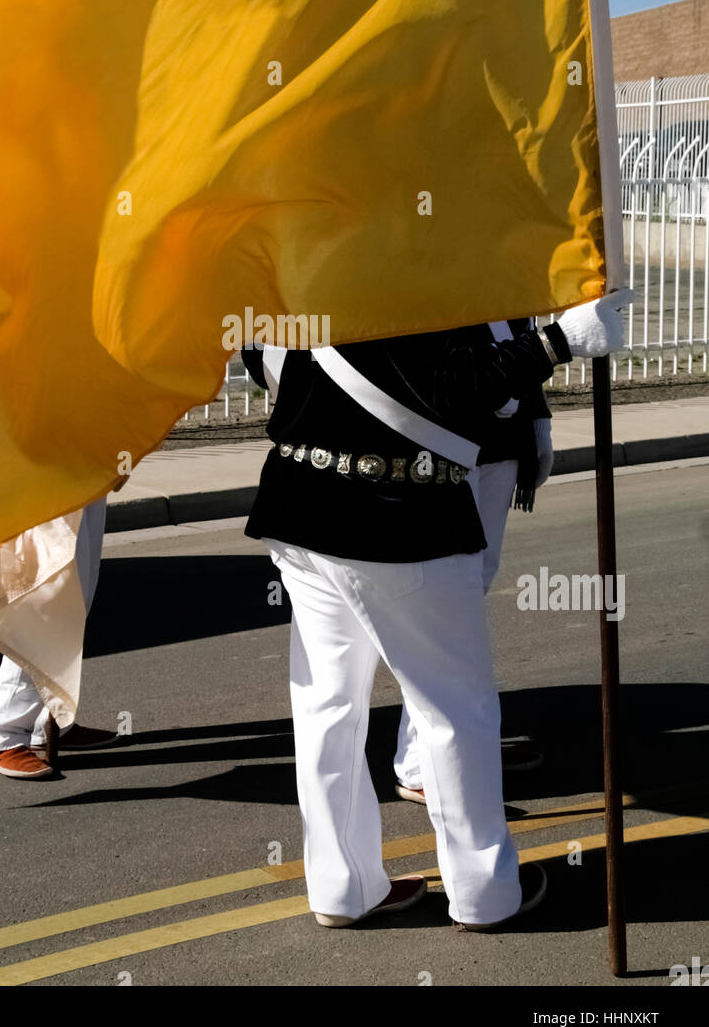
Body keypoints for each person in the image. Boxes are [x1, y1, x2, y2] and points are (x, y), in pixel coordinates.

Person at [243, 291, 630, 929]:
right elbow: (452, 388)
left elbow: (263, 361)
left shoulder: (301, 252)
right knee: (454, 709)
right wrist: (557, 343)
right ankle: (483, 893)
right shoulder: (409, 255)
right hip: (397, 511)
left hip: (301, 495)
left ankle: (344, 889)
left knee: (328, 709)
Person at [393, 317, 552, 805]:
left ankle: (461, 744)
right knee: (443, 606)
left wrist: (538, 422)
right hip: (446, 445)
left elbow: (520, 342)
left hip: (500, 449)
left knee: (472, 590)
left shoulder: (503, 267)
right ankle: (421, 761)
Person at [0, 497, 119, 779]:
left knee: (76, 600)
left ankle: (48, 722)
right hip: (41, 474)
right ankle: (4, 736)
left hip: (82, 469)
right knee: (43, 604)